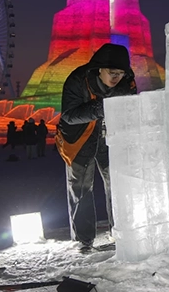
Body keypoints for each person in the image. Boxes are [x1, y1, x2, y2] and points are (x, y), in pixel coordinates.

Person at [57, 43, 136, 251]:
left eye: (120, 73)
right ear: (99, 68)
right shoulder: (77, 80)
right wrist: (100, 108)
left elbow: (131, 108)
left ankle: (119, 232)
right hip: (79, 140)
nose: (116, 77)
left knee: (117, 185)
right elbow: (68, 116)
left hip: (111, 140)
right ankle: (84, 240)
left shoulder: (127, 83)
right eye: (112, 72)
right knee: (81, 188)